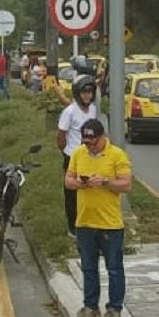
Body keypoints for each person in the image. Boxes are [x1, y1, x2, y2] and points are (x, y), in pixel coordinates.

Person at [64, 119, 132, 317]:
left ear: (103, 137)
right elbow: (68, 180)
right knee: (88, 268)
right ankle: (90, 307)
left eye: (93, 142)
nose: (89, 146)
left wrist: (104, 182)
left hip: (110, 224)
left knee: (114, 269)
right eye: (86, 142)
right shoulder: (78, 153)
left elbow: (127, 185)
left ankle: (114, 309)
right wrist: (82, 183)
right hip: (84, 221)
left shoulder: (117, 155)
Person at [57, 74, 100, 237]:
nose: (87, 95)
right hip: (72, 157)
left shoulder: (93, 109)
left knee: (90, 190)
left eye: (90, 92)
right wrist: (66, 152)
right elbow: (61, 135)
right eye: (84, 92)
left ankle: (88, 222)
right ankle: (73, 227)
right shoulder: (69, 112)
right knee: (72, 193)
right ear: (77, 93)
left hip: (89, 156)